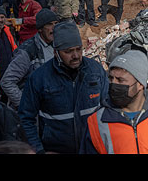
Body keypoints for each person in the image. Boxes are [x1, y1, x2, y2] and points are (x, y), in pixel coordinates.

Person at [18, 21, 109, 154]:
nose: (76, 56)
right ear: (56, 52)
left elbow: (109, 108)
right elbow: (26, 118)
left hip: (93, 148)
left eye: (78, 49)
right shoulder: (39, 78)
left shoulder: (95, 71)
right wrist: (39, 150)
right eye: (68, 51)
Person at [80, 50, 148, 154]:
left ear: (140, 84)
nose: (114, 84)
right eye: (111, 78)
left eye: (120, 80)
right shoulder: (96, 122)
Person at [0, 9, 59, 109]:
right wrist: (26, 105)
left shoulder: (58, 45)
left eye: (56, 24)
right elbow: (7, 82)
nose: (54, 28)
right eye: (49, 24)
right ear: (40, 29)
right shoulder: (27, 51)